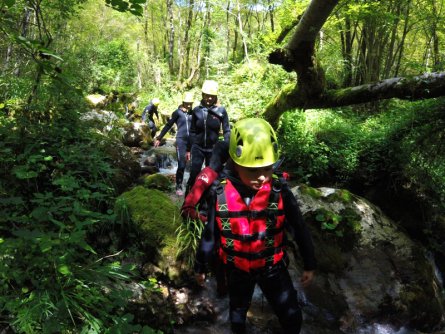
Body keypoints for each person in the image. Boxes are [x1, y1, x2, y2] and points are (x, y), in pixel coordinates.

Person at [193, 118, 316, 334]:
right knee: (238, 314)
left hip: (273, 268)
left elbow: (299, 228)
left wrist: (309, 263)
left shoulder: (279, 191)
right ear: (234, 162)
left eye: (267, 169)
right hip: (238, 270)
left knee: (292, 316)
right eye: (252, 171)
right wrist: (200, 265)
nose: (261, 177)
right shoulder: (219, 192)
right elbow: (210, 234)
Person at [186, 80, 230, 194]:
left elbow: (226, 130)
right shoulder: (196, 110)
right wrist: (188, 149)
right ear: (202, 95)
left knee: (213, 176)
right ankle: (188, 201)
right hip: (198, 148)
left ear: (215, 96)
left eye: (212, 96)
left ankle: (207, 203)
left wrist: (228, 148)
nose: (209, 98)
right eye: (207, 95)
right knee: (194, 173)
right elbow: (192, 131)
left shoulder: (221, 110)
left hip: (213, 150)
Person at [154, 92, 194, 196]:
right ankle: (179, 185)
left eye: (191, 103)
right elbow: (168, 125)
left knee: (194, 165)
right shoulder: (177, 113)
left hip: (192, 142)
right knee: (181, 164)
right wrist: (159, 137)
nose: (189, 105)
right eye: (187, 103)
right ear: (183, 102)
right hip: (181, 141)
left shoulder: (193, 113)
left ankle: (192, 186)